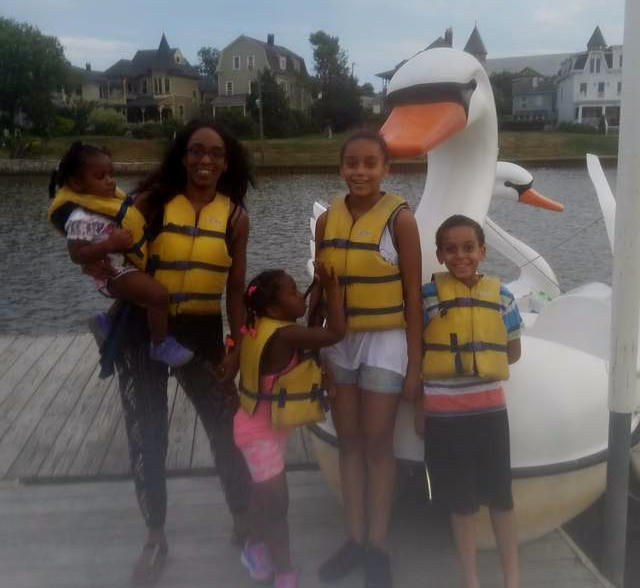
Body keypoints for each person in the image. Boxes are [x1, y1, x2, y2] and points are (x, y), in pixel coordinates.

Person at [87, 119, 254, 585]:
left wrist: (236, 345)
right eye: (196, 150)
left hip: (201, 331)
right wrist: (101, 271)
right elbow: (109, 255)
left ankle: (244, 521)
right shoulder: (151, 203)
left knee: (226, 427)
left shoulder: (235, 219)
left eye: (215, 153)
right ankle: (155, 536)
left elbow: (236, 290)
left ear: (226, 162)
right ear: (183, 156)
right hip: (143, 326)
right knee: (148, 433)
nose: (205, 160)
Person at [311, 130, 423, 588]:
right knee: (349, 443)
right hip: (339, 342)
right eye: (352, 163)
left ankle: (378, 544)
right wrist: (313, 349)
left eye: (370, 163)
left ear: (385, 169)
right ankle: (354, 539)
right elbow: (319, 291)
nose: (360, 171)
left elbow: (413, 296)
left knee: (378, 445)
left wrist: (415, 367)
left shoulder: (401, 221)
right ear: (341, 168)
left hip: (385, 342)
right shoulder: (326, 221)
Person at [417, 214, 523, 588]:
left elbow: (513, 352)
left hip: (490, 414)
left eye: (468, 248)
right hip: (443, 417)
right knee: (460, 503)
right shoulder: (427, 297)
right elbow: (416, 352)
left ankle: (512, 579)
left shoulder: (503, 297)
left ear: (482, 251)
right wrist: (416, 409)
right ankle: (471, 581)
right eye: (451, 249)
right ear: (440, 255)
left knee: (501, 498)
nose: (460, 256)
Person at [234, 263, 346, 588]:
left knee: (263, 495)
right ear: (273, 309)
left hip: (260, 427)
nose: (301, 296)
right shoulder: (284, 335)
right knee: (278, 507)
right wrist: (333, 290)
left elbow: (310, 333)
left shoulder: (263, 325)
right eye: (294, 292)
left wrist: (318, 288)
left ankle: (254, 545)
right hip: (259, 435)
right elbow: (335, 333)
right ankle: (284, 572)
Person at [48, 141, 193, 366]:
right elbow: (77, 254)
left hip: (124, 267)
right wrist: (110, 244)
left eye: (110, 174)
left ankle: (106, 321)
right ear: (76, 184)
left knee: (147, 294)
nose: (110, 181)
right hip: (113, 273)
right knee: (158, 296)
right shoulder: (80, 218)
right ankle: (160, 344)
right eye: (100, 176)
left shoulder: (106, 206)